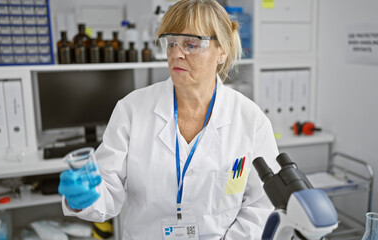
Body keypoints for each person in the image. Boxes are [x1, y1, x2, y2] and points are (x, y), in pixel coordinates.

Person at [58, 0, 280, 239]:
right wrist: (83, 197)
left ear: (222, 50)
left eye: (191, 44)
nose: (176, 54)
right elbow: (107, 190)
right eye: (170, 42)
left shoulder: (251, 120)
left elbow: (261, 204)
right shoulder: (132, 110)